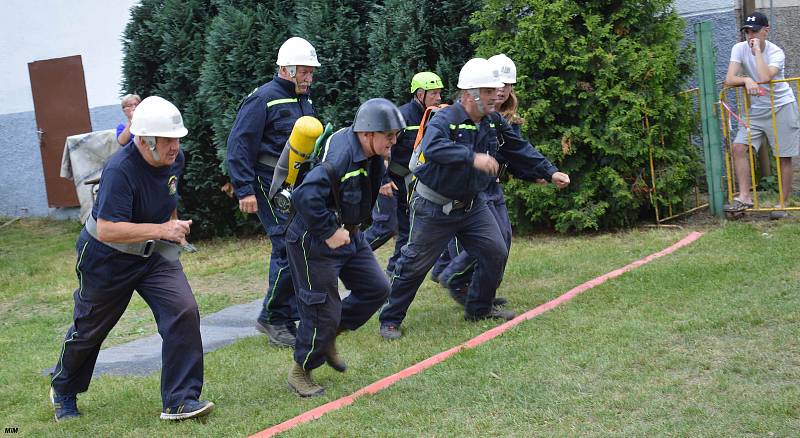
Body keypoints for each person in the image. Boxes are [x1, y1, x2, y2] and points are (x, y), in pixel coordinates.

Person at [378, 58, 570, 340]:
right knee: (414, 264)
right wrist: (472, 158)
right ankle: (391, 319)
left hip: (472, 205)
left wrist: (550, 172)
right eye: (489, 91)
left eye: (496, 90)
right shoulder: (444, 119)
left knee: (495, 250)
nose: (497, 95)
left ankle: (479, 308)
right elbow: (433, 149)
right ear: (469, 94)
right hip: (434, 206)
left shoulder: (492, 122)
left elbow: (519, 148)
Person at [49, 96, 213, 421]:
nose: (174, 147)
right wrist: (164, 228)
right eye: (167, 140)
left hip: (154, 256)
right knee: (90, 330)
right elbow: (109, 229)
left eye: (177, 139)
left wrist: (174, 227)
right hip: (106, 260)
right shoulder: (119, 170)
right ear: (145, 139)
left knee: (183, 310)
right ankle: (64, 389)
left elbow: (169, 195)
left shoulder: (174, 159)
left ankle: (180, 401)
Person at [284, 98, 405, 396]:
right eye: (388, 134)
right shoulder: (338, 158)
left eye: (395, 134)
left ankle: (327, 337)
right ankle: (301, 370)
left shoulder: (373, 151)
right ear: (366, 134)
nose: (394, 140)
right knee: (321, 308)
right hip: (314, 238)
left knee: (377, 289)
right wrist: (328, 231)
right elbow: (304, 197)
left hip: (351, 233)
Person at [226, 37, 320, 347]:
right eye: (304, 72)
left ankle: (287, 313)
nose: (309, 78)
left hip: (297, 181)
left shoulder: (304, 99)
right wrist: (243, 189)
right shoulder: (262, 99)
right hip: (268, 181)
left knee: (299, 244)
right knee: (286, 244)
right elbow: (238, 145)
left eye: (311, 72)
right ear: (287, 69)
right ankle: (273, 318)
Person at [437, 54, 525, 305]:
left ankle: (481, 293)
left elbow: (516, 153)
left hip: (492, 186)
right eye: (498, 86)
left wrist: (540, 173)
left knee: (502, 241)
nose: (502, 91)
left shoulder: (505, 119)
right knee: (485, 242)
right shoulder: (461, 116)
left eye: (508, 86)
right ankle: (458, 281)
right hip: (471, 189)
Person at [363, 72, 444, 274]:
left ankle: (394, 272)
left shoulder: (436, 116)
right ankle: (344, 256)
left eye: (439, 93)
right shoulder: (401, 117)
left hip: (411, 184)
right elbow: (378, 149)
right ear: (419, 94)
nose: (439, 98)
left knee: (409, 231)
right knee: (385, 226)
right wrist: (382, 179)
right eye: (433, 94)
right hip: (386, 180)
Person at [724, 11, 800, 215]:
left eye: (755, 32)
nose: (750, 37)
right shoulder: (738, 48)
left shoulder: (777, 53)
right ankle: (745, 197)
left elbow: (765, 76)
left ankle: (782, 204)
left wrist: (757, 52)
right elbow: (729, 79)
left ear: (766, 31)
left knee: (783, 156)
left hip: (782, 106)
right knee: (739, 147)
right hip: (757, 109)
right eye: (747, 32)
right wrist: (746, 80)